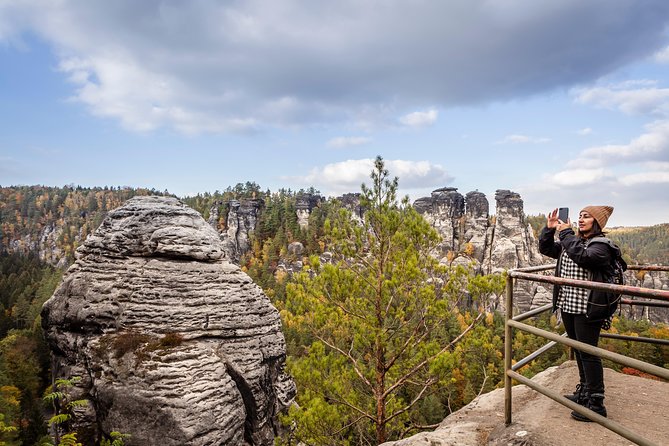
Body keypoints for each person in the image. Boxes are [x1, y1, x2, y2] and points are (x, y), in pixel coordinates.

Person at [538, 205, 621, 421]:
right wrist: (549, 230)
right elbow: (546, 249)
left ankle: (596, 404)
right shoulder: (573, 243)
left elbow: (584, 258)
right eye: (580, 217)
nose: (581, 220)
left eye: (587, 217)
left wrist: (565, 233)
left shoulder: (601, 245)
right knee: (578, 349)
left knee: (589, 352)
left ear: (598, 223)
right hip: (568, 305)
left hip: (588, 308)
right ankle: (584, 393)